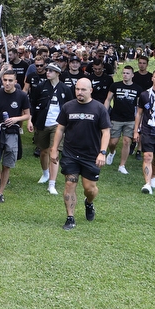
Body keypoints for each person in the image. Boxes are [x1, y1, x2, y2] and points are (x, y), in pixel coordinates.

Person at [50, 78, 111, 230]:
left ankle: (89, 203)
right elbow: (60, 129)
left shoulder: (99, 108)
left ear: (91, 90)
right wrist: (54, 148)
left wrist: (102, 152)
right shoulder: (68, 107)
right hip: (71, 153)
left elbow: (106, 132)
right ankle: (70, 217)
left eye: (83, 90)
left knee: (89, 189)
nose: (79, 92)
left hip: (91, 155)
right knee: (70, 183)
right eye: (77, 89)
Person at [28, 62, 73, 195]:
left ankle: (52, 184)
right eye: (47, 70)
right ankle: (45, 173)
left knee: (54, 152)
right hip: (42, 123)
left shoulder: (65, 89)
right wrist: (31, 120)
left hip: (58, 125)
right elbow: (33, 103)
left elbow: (70, 106)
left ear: (58, 73)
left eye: (51, 71)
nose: (47, 72)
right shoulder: (41, 86)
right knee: (44, 151)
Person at [0, 71, 30, 202]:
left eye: (10, 80)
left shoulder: (22, 95)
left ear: (16, 82)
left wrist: (16, 119)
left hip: (12, 132)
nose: (7, 83)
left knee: (7, 164)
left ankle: (0, 193)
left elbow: (27, 115)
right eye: (5, 80)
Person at [104, 65, 142, 174]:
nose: (125, 75)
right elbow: (108, 99)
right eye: (124, 73)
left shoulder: (138, 89)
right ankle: (112, 152)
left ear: (132, 75)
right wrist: (104, 112)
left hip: (130, 119)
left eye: (128, 73)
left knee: (126, 142)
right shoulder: (115, 85)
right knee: (112, 142)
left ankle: (122, 165)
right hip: (116, 118)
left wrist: (138, 121)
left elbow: (139, 106)